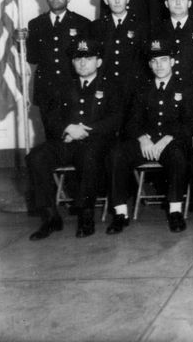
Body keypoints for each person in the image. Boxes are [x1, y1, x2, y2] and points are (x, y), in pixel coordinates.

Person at [27, 38, 122, 240]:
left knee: (88, 157)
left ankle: (86, 215)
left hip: (95, 143)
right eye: (78, 59)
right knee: (36, 157)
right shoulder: (62, 86)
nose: (82, 63)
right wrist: (67, 128)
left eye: (88, 58)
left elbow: (115, 119)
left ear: (98, 62)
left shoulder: (110, 86)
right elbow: (51, 117)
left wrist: (86, 131)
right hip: (66, 141)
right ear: (72, 62)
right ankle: (51, 216)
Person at [105, 38, 193, 234]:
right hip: (146, 142)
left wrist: (166, 138)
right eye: (154, 61)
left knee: (177, 157)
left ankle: (175, 211)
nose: (159, 65)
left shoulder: (186, 88)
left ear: (173, 62)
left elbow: (191, 123)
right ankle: (121, 213)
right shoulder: (142, 89)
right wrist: (143, 138)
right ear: (149, 64)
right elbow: (131, 121)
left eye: (164, 60)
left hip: (172, 142)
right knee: (117, 154)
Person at [26, 0, 90, 107]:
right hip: (46, 91)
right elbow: (32, 58)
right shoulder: (35, 24)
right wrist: (20, 42)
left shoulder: (82, 23)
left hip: (73, 89)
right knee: (48, 128)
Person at [90, 0, 149, 110]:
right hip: (105, 93)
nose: (117, 1)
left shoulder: (141, 26)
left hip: (134, 92)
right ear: (105, 0)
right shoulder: (96, 27)